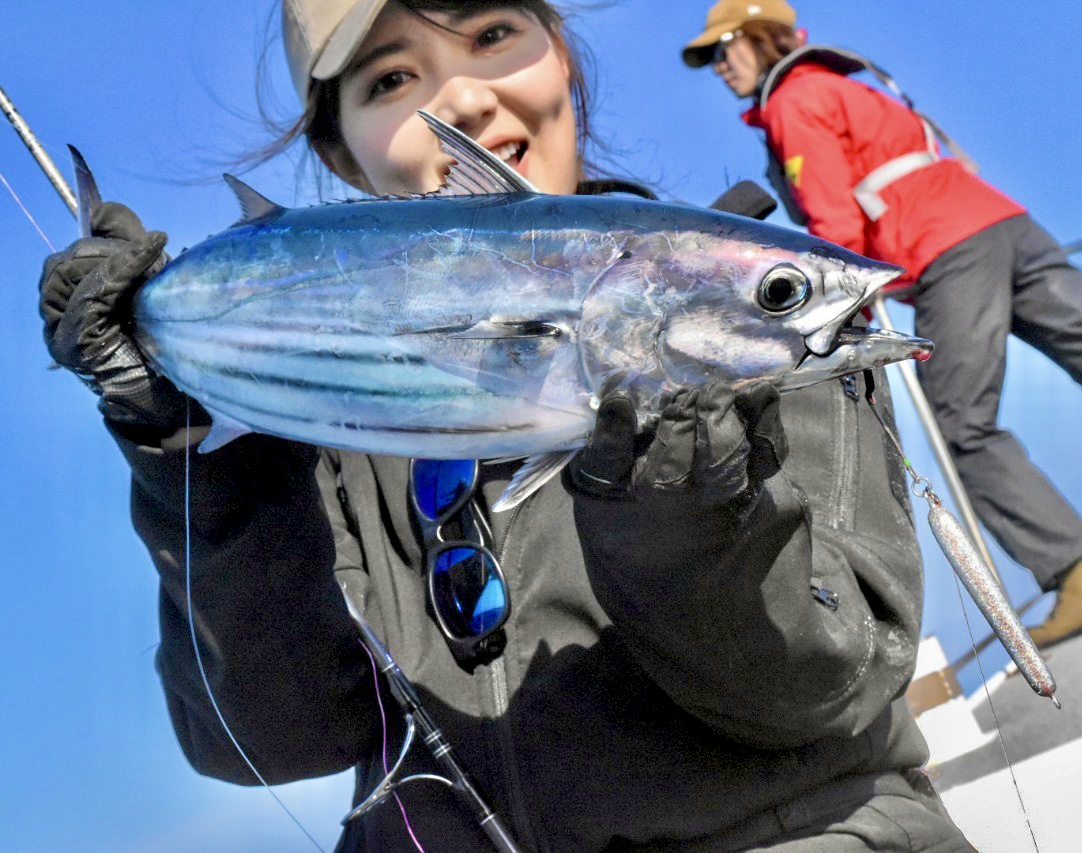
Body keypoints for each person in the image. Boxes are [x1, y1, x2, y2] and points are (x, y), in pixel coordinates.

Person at [37, 1, 976, 850]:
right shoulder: (319, 427)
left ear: (560, 53)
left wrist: (687, 504)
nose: (467, 99)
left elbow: (823, 689)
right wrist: (189, 452)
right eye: (392, 79)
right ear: (340, 155)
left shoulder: (745, 326)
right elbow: (267, 741)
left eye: (491, 35)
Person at [681, 0, 1082, 650]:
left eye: (724, 49)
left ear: (761, 39)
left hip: (943, 250)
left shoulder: (793, 101)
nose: (718, 67)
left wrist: (831, 315)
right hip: (1000, 223)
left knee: (961, 423)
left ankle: (1079, 572)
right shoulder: (842, 85)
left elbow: (836, 225)